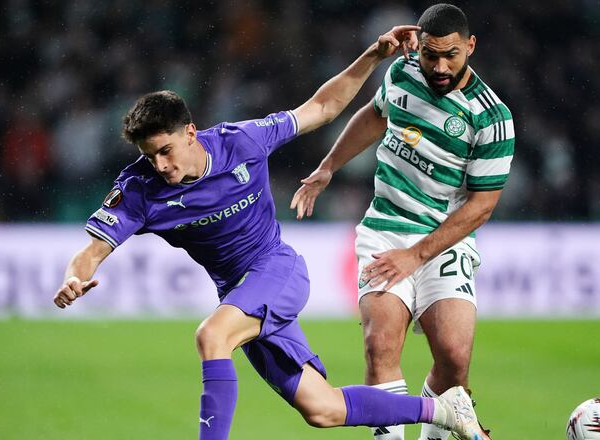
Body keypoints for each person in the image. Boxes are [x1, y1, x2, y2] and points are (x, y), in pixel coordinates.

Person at [52, 25, 484, 440]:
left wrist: (373, 55)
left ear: (190, 133)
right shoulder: (141, 190)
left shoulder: (242, 141)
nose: (160, 165)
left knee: (212, 335)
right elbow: (93, 249)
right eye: (150, 157)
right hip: (238, 295)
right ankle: (446, 410)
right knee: (324, 409)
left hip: (276, 270)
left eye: (165, 151)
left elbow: (321, 108)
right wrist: (74, 276)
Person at [291, 5, 515, 440]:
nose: (440, 66)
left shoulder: (492, 117)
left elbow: (482, 206)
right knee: (380, 346)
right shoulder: (404, 72)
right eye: (431, 55)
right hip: (385, 228)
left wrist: (415, 256)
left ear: (470, 46)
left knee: (454, 357)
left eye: (450, 54)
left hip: (444, 241)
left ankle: (437, 430)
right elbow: (375, 116)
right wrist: (328, 167)